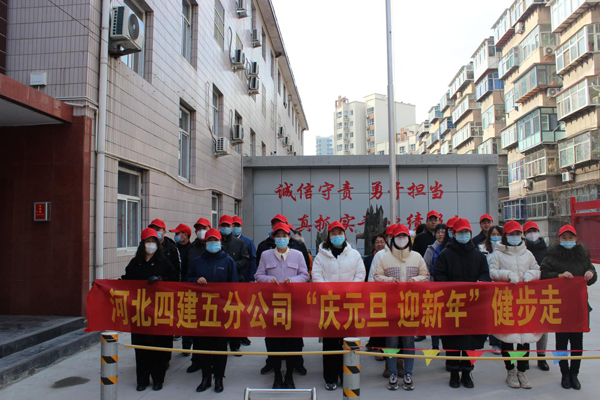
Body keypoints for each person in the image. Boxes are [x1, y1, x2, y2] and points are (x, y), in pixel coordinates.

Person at [434, 218, 490, 389]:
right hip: (452, 306)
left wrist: (482, 281)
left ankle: (467, 373)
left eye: (466, 232)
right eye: (460, 232)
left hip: (473, 307)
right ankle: (453, 373)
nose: (463, 235)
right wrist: (451, 291)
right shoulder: (445, 254)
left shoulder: (478, 255)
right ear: (454, 234)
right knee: (452, 340)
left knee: (470, 342)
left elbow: (485, 274)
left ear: (470, 234)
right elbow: (439, 277)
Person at [541, 225, 597, 390]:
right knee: (561, 342)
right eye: (564, 238)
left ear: (576, 239)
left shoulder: (583, 256)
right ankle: (564, 373)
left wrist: (591, 274)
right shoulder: (552, 257)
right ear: (559, 240)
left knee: (577, 342)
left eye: (570, 238)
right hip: (560, 306)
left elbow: (592, 274)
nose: (567, 240)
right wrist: (558, 276)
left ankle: (574, 374)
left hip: (579, 306)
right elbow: (543, 274)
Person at [373, 224, 429, 391]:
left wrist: (415, 280)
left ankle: (408, 373)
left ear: (409, 239)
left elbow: (425, 275)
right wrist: (390, 281)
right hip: (391, 306)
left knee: (408, 341)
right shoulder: (385, 258)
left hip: (410, 306)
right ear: (393, 239)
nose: (402, 239)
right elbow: (377, 276)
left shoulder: (417, 256)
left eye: (404, 236)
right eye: (398, 236)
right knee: (391, 341)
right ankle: (392, 373)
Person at [312, 221, 366, 391]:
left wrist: (348, 291)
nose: (337, 236)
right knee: (330, 342)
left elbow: (360, 275)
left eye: (339, 233)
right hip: (329, 304)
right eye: (333, 233)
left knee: (348, 341)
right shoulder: (321, 256)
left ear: (345, 235)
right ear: (329, 236)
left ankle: (347, 375)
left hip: (350, 304)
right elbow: (316, 277)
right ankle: (330, 377)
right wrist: (331, 293)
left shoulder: (354, 255)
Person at [255, 223, 310, 389]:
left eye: (284, 236)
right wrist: (267, 279)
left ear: (289, 238)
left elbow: (305, 275)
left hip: (293, 305)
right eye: (278, 236)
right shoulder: (266, 255)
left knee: (292, 341)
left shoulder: (297, 255)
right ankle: (277, 375)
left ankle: (290, 375)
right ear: (273, 238)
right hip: (273, 306)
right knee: (274, 341)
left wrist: (293, 280)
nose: (281, 239)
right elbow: (258, 275)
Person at [122, 228, 177, 392]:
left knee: (159, 347)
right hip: (140, 312)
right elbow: (126, 281)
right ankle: (142, 380)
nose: (151, 244)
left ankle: (158, 379)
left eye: (153, 241)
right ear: (142, 244)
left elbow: (174, 281)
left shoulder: (164, 262)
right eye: (148, 241)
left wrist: (161, 280)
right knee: (141, 347)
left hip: (160, 311)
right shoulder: (135, 263)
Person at [488, 221, 541, 389]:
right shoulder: (498, 254)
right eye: (511, 234)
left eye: (517, 234)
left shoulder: (528, 253)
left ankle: (522, 371)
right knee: (508, 337)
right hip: (506, 300)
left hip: (525, 301)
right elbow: (492, 272)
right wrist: (507, 275)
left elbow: (538, 269)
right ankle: (510, 371)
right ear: (506, 236)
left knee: (525, 338)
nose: (515, 237)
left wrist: (531, 274)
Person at [185, 229, 238, 394]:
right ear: (205, 243)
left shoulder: (228, 261)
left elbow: (235, 286)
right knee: (204, 346)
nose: (213, 243)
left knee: (220, 347)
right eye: (210, 241)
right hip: (202, 311)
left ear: (220, 243)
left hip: (221, 312)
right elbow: (186, 281)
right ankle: (206, 378)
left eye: (215, 240)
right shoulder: (197, 262)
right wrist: (196, 280)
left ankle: (219, 378)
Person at [218, 215, 250, 354]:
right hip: (219, 284)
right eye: (223, 225)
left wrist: (231, 266)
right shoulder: (215, 241)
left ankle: (235, 344)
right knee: (221, 314)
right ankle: (222, 342)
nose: (225, 228)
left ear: (232, 227)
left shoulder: (239, 243)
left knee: (236, 314)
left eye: (228, 225)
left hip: (236, 283)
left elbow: (246, 260)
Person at [523, 221, 549, 371]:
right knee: (525, 325)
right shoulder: (522, 250)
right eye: (529, 231)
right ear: (524, 234)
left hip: (543, 292)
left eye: (534, 230)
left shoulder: (547, 250)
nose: (532, 234)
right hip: (526, 292)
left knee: (543, 326)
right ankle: (524, 357)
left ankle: (541, 357)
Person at [185, 217, 211, 369]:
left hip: (215, 298)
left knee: (213, 331)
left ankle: (212, 362)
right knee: (196, 330)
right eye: (198, 229)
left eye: (204, 228)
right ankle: (196, 361)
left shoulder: (217, 247)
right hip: (195, 295)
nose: (201, 231)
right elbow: (187, 273)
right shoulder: (191, 249)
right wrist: (194, 280)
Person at [478, 225, 503, 354]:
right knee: (491, 315)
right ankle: (495, 343)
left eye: (498, 234)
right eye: (493, 234)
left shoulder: (505, 249)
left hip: (503, 287)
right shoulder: (482, 248)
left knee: (501, 315)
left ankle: (502, 341)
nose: (496, 237)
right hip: (488, 286)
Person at [232, 215, 256, 347]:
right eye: (233, 225)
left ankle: (243, 335)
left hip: (244, 280)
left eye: (237, 225)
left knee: (244, 309)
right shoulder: (224, 241)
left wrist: (251, 278)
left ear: (241, 227)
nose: (235, 228)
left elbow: (252, 260)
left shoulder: (247, 241)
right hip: (230, 282)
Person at [423, 223, 448, 350]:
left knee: (447, 316)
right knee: (435, 316)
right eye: (438, 232)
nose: (440, 235)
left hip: (447, 287)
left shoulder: (450, 248)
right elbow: (425, 267)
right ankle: (435, 344)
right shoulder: (430, 249)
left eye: (443, 232)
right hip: (433, 286)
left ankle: (447, 343)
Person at [169, 223, 194, 349]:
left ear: (185, 235)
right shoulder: (173, 249)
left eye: (177, 233)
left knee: (187, 315)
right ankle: (177, 332)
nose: (176, 236)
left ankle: (187, 344)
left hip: (188, 286)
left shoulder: (192, 249)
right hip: (175, 286)